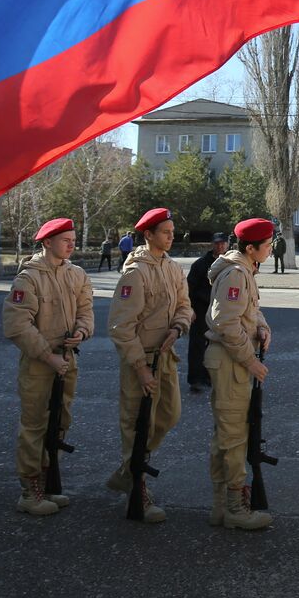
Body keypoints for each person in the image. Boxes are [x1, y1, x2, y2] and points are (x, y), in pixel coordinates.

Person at [1, 217, 93, 516]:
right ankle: (30, 491)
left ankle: (47, 482)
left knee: (60, 422)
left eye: (73, 238)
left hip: (67, 360)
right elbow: (16, 325)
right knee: (35, 425)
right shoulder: (29, 278)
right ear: (47, 242)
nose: (71, 243)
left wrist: (81, 331)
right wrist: (48, 355)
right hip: (41, 363)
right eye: (65, 239)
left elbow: (86, 309)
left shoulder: (76, 274)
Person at [105, 207, 193, 523]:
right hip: (140, 362)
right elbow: (120, 326)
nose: (171, 236)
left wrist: (178, 327)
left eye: (172, 231)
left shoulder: (171, 268)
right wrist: (140, 366)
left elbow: (186, 306)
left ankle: (129, 470)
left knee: (169, 415)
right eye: (166, 232)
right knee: (136, 425)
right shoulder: (136, 273)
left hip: (165, 357)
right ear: (149, 235)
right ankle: (137, 486)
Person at [205, 218, 276, 531]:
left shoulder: (245, 269)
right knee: (234, 437)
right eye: (268, 245)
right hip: (231, 360)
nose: (271, 249)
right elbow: (226, 322)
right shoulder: (236, 272)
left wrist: (261, 325)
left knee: (227, 434)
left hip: (231, 359)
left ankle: (222, 506)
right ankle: (235, 506)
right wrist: (251, 360)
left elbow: (246, 313)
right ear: (251, 248)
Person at [185, 232, 228, 395]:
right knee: (197, 345)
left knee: (215, 345)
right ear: (212, 244)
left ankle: (210, 376)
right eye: (217, 243)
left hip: (220, 311)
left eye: (223, 243)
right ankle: (195, 379)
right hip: (201, 309)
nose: (220, 246)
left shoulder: (229, 264)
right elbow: (188, 288)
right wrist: (189, 309)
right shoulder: (200, 264)